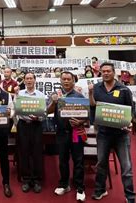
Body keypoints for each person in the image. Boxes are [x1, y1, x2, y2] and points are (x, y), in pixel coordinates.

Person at [88, 63, 135, 202]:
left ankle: (130, 196)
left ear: (114, 72)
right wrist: (90, 93)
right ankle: (100, 190)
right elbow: (92, 106)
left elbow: (130, 110)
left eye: (108, 71)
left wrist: (129, 122)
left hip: (121, 134)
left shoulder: (124, 89)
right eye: (103, 71)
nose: (106, 73)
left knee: (126, 167)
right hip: (103, 133)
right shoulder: (96, 88)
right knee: (101, 164)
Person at [49, 72, 87, 202]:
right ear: (60, 80)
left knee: (78, 160)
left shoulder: (79, 96)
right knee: (62, 160)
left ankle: (80, 188)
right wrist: (54, 103)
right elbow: (47, 111)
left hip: (76, 132)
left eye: (68, 79)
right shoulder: (55, 95)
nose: (66, 81)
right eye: (63, 79)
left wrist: (80, 122)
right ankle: (64, 184)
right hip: (61, 133)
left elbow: (87, 116)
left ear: (73, 81)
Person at [15, 72, 44, 193]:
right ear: (24, 81)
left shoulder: (40, 95)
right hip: (23, 125)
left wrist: (39, 118)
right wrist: (15, 95)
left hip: (36, 125)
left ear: (35, 80)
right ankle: (26, 179)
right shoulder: (19, 93)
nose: (29, 80)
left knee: (37, 153)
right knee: (24, 152)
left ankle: (37, 180)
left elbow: (44, 113)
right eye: (27, 79)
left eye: (31, 78)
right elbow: (15, 109)